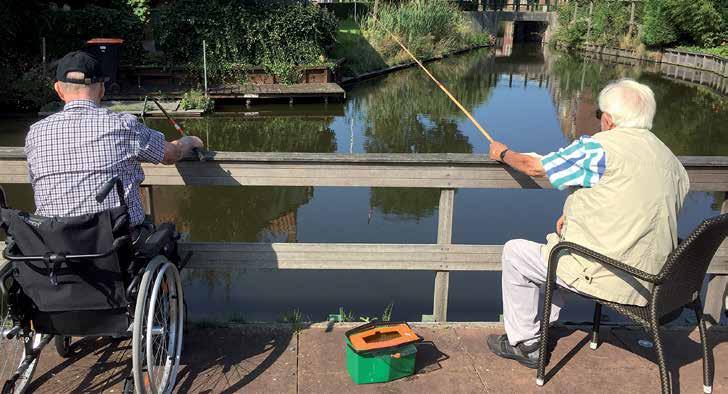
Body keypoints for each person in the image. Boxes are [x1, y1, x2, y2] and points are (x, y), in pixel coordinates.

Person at [485, 79, 690, 368]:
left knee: (516, 253)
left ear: (607, 119)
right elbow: (635, 207)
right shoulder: (672, 163)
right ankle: (543, 326)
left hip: (607, 275)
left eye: (598, 116)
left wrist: (502, 154)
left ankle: (526, 344)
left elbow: (536, 168)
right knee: (561, 245)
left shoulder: (599, 148)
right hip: (656, 282)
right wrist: (575, 214)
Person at [25, 51, 203, 235]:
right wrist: (191, 141)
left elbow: (34, 180)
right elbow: (170, 154)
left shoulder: (36, 132)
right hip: (115, 247)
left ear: (58, 89)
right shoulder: (123, 125)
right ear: (102, 88)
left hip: (53, 248)